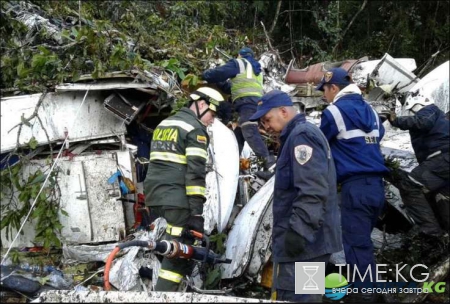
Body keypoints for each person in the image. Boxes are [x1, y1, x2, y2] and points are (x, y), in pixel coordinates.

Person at [249, 90, 342, 302]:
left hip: (306, 244)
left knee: (299, 297)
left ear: (283, 111)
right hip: (309, 241)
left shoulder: (302, 136)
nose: (266, 127)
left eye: (267, 119)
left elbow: (312, 190)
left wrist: (298, 233)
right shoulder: (297, 135)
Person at [316, 68, 389, 295]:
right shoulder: (372, 112)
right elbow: (376, 138)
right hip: (376, 188)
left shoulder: (334, 112)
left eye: (325, 91)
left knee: (357, 249)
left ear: (334, 88)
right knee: (363, 246)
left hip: (355, 188)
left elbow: (319, 145)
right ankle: (371, 291)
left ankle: (365, 296)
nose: (323, 96)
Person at [144, 87, 224, 291]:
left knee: (167, 246)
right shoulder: (195, 129)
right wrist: (196, 214)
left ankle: (178, 292)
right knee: (179, 254)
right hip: (177, 201)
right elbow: (195, 175)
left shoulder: (164, 124)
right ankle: (162, 296)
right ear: (202, 104)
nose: (212, 121)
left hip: (155, 198)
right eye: (212, 115)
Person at [202, 47, 275, 178]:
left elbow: (218, 73)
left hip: (247, 104)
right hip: (254, 104)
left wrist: (205, 75)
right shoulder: (256, 69)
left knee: (249, 132)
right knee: (238, 136)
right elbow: (234, 87)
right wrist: (220, 83)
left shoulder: (239, 63)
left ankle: (271, 167)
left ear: (239, 55)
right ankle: (232, 166)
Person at [386, 95, 449, 233]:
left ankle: (431, 232)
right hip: (442, 163)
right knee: (440, 196)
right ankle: (445, 235)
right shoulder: (438, 117)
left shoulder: (429, 111)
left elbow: (422, 122)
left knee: (410, 185)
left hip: (442, 160)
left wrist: (396, 120)